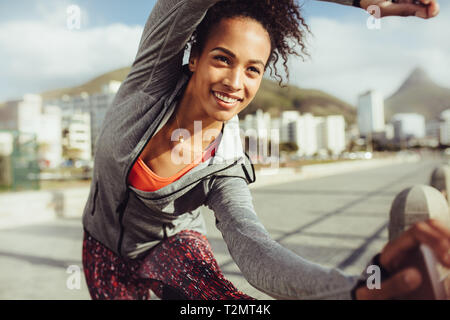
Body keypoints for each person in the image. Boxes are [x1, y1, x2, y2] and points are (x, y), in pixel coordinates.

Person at [81, 0, 446, 300]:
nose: (235, 82)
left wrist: (358, 289)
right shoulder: (150, 80)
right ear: (194, 58)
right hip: (102, 248)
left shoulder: (225, 167)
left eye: (253, 69)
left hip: (171, 244)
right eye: (222, 58)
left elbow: (256, 249)